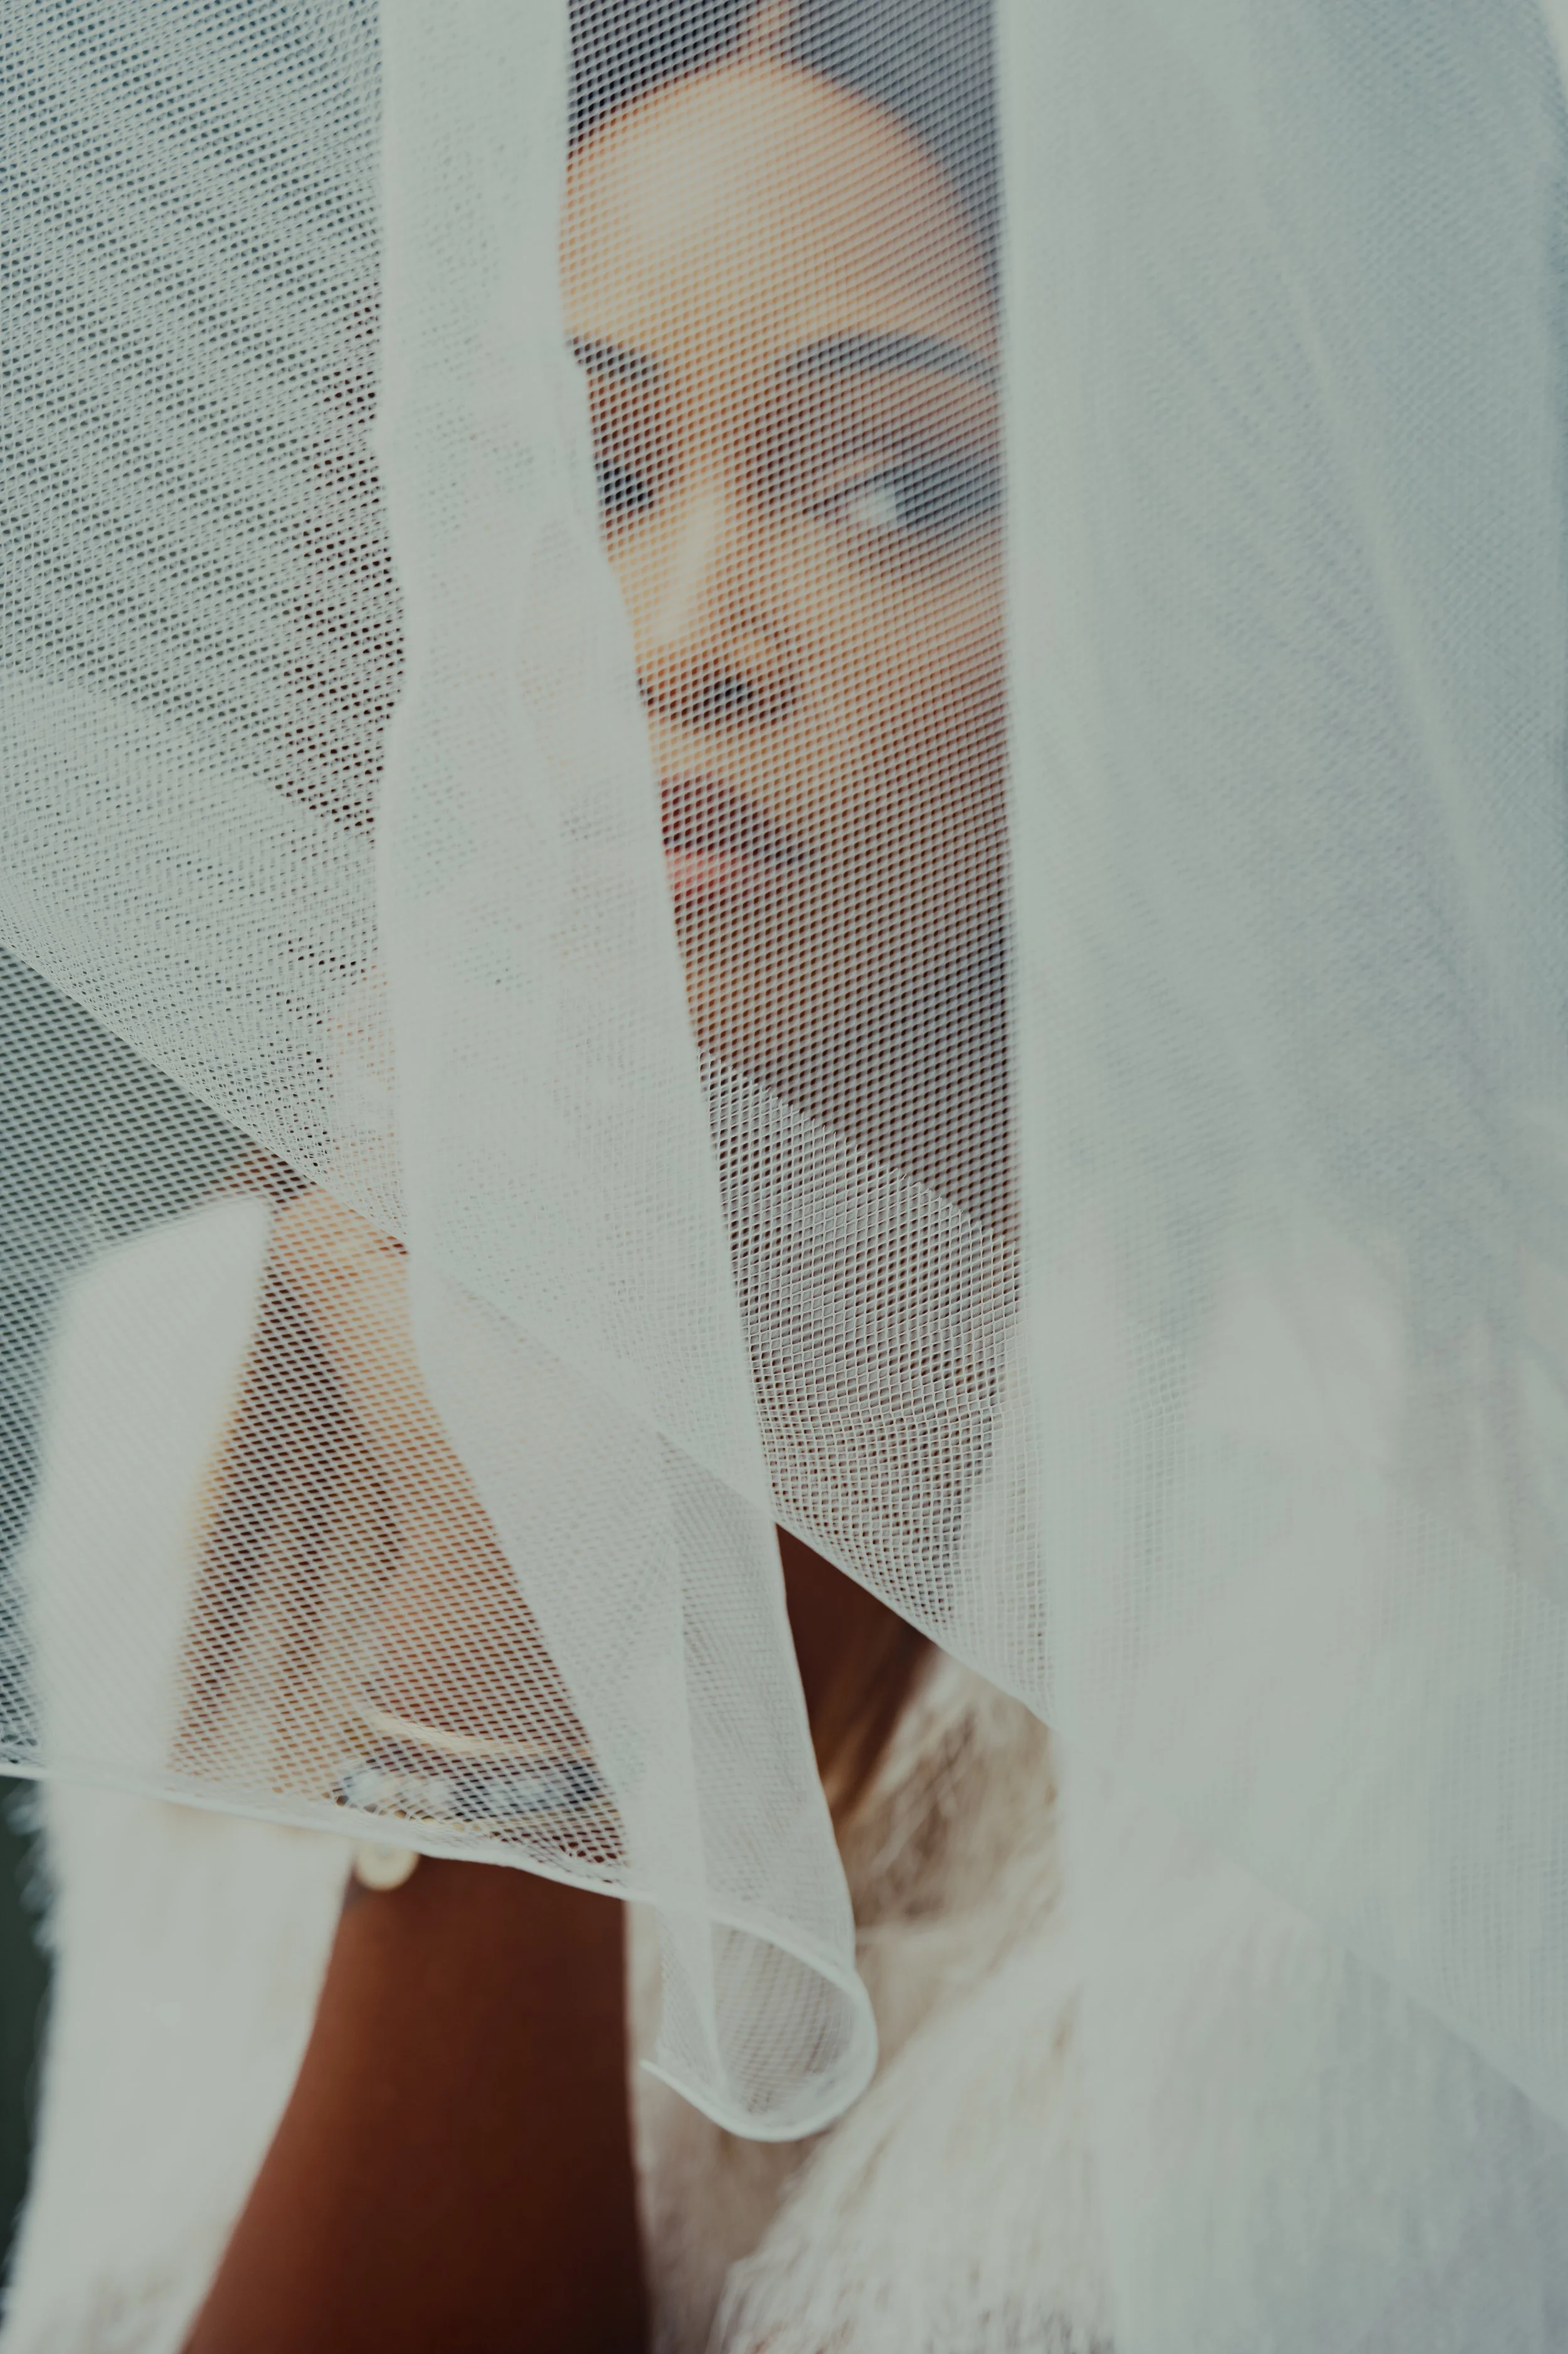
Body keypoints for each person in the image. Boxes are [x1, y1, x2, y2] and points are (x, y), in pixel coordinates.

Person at [9, 8, 1568, 2353]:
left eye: (897, 491)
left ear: (1154, 578)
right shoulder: (197, 1372)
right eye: (581, 467)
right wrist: (491, 1633)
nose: (682, 640)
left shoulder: (1425, 1446)